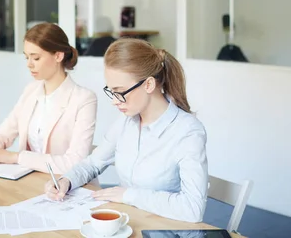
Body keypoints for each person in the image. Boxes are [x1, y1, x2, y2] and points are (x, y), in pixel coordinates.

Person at [44, 38, 208, 223]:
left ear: (148, 85)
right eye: (111, 91)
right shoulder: (126, 121)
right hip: (127, 222)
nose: (115, 100)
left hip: (164, 228)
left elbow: (193, 209)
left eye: (120, 92)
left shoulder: (187, 131)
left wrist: (129, 195)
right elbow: (92, 163)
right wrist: (67, 181)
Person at [0, 22, 98, 174]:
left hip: (68, 188)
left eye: (36, 58)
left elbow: (75, 162)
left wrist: (16, 157)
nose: (29, 64)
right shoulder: (31, 91)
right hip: (30, 182)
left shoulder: (84, 99)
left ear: (58, 55)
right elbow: (3, 134)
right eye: (26, 57)